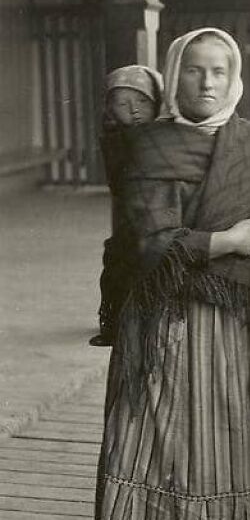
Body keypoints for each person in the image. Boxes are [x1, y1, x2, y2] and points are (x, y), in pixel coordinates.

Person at [93, 27, 250, 520]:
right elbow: (146, 242)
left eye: (219, 72)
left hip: (230, 322)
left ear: (234, 80)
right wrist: (224, 242)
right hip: (162, 315)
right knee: (157, 429)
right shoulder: (149, 146)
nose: (207, 82)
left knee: (227, 430)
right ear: (173, 74)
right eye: (194, 70)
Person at [89, 65, 163, 347]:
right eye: (122, 103)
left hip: (158, 215)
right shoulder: (114, 139)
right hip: (129, 215)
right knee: (116, 265)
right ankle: (113, 324)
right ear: (110, 108)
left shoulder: (164, 135)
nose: (133, 109)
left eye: (142, 101)